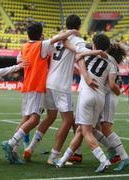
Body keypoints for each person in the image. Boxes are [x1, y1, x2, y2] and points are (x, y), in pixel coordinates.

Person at [1, 23, 80, 164]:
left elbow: (19, 61)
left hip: (27, 86)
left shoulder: (24, 46)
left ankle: (15, 150)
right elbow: (57, 39)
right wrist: (72, 31)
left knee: (27, 118)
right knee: (35, 119)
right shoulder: (41, 46)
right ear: (40, 34)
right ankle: (11, 143)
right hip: (37, 86)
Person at [22, 14, 88, 164]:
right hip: (62, 85)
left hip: (48, 82)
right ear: (78, 26)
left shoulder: (57, 37)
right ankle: (54, 156)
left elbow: (58, 59)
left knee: (50, 117)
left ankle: (31, 148)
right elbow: (82, 55)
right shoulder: (78, 40)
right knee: (68, 119)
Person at [55, 34, 121, 173]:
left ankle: (104, 160)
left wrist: (92, 53)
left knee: (86, 131)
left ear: (94, 45)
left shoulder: (85, 53)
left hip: (87, 94)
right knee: (80, 130)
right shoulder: (111, 61)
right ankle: (62, 161)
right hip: (100, 97)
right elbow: (111, 83)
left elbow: (77, 57)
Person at [93, 43, 129, 171]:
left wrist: (118, 92)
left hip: (109, 98)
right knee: (92, 128)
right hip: (105, 97)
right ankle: (112, 150)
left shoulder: (111, 63)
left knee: (105, 129)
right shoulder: (111, 63)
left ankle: (124, 157)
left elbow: (111, 85)